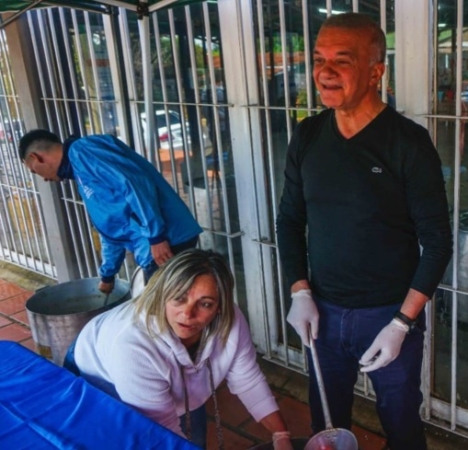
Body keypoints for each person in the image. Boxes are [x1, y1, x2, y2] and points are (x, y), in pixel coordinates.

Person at [276, 13, 452, 450]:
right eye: (318, 59)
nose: (324, 72)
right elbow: (289, 220)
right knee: (327, 428)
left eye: (342, 60)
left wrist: (401, 323)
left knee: (401, 425)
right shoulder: (307, 136)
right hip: (324, 312)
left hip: (389, 312)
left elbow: (438, 242)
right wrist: (300, 291)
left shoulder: (407, 143)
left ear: (376, 71)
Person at [68, 249, 293, 449]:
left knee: (193, 436)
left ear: (219, 307)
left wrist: (281, 435)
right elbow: (163, 431)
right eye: (179, 298)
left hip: (165, 375)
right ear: (163, 294)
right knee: (128, 438)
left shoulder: (229, 320)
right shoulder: (133, 345)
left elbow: (248, 379)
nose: (187, 314)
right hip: (98, 370)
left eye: (205, 304)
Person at [18, 130, 202, 292]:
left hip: (167, 242)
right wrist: (107, 274)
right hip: (155, 246)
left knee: (169, 313)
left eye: (35, 172)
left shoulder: (84, 151)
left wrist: (156, 237)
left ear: (36, 158)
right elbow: (111, 228)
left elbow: (135, 185)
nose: (43, 179)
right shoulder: (80, 172)